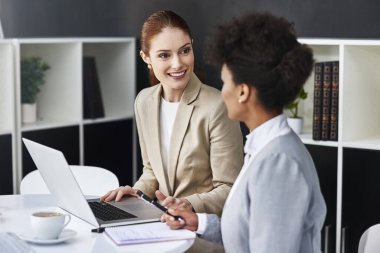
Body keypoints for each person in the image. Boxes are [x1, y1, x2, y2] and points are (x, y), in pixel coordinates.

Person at [163, 12, 327, 253]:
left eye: (225, 81)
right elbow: (250, 231)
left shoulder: (279, 164)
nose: (222, 90)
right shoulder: (265, 148)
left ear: (243, 92)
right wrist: (199, 221)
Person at [101, 10, 243, 216]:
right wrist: (135, 193)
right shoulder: (144, 102)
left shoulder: (217, 106)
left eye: (185, 51)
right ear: (146, 57)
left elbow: (230, 189)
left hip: (201, 228)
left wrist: (186, 204)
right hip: (161, 222)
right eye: (164, 55)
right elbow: (151, 173)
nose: (178, 63)